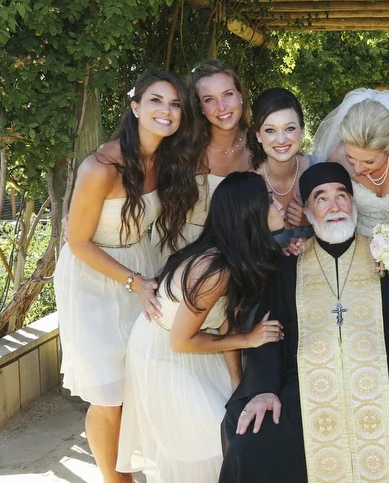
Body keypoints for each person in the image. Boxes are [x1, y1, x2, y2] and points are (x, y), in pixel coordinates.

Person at [219, 162, 389, 483]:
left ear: (353, 204)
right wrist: (264, 389)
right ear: (307, 211)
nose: (334, 207)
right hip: (301, 394)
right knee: (248, 450)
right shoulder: (288, 267)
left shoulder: (388, 257)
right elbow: (269, 332)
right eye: (321, 199)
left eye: (341, 196)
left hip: (386, 388)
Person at [54, 70, 193, 483]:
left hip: (141, 268)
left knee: (140, 383)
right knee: (108, 396)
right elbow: (78, 241)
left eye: (174, 104)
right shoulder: (100, 167)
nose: (165, 111)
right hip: (95, 279)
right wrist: (135, 281)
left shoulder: (164, 159)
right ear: (135, 107)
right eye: (155, 101)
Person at [117, 172, 286, 483]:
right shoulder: (215, 270)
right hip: (165, 352)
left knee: (231, 420)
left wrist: (238, 384)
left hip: (196, 343)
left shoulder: (239, 255)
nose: (280, 205)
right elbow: (182, 341)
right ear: (252, 214)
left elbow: (225, 321)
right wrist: (248, 340)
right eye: (271, 201)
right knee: (206, 441)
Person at [156, 61, 254, 259]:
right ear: (199, 106)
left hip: (238, 255)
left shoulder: (261, 144)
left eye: (228, 94)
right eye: (209, 100)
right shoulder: (181, 147)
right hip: (178, 251)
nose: (222, 107)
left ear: (240, 95)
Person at [310, 88, 389, 236]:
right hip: (355, 248)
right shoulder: (336, 158)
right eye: (351, 158)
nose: (358, 169)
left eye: (369, 161)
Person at [247, 88, 316, 247]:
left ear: (302, 130)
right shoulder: (248, 186)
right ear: (258, 135)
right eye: (270, 130)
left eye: (289, 128)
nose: (281, 139)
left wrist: (313, 220)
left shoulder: (319, 169)